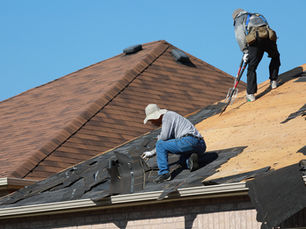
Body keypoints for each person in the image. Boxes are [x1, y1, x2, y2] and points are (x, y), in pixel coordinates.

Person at [142, 104, 206, 183]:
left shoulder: (167, 116)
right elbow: (169, 140)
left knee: (160, 144)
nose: (151, 123)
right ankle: (190, 161)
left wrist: (152, 152)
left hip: (188, 140)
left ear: (156, 116)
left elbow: (164, 138)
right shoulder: (173, 119)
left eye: (151, 120)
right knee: (182, 161)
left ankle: (164, 174)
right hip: (200, 144)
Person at [232, 9, 281, 102]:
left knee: (252, 67)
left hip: (256, 40)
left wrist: (245, 51)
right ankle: (274, 81)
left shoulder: (239, 19)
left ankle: (250, 94)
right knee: (275, 56)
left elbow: (240, 36)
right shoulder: (257, 15)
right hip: (268, 36)